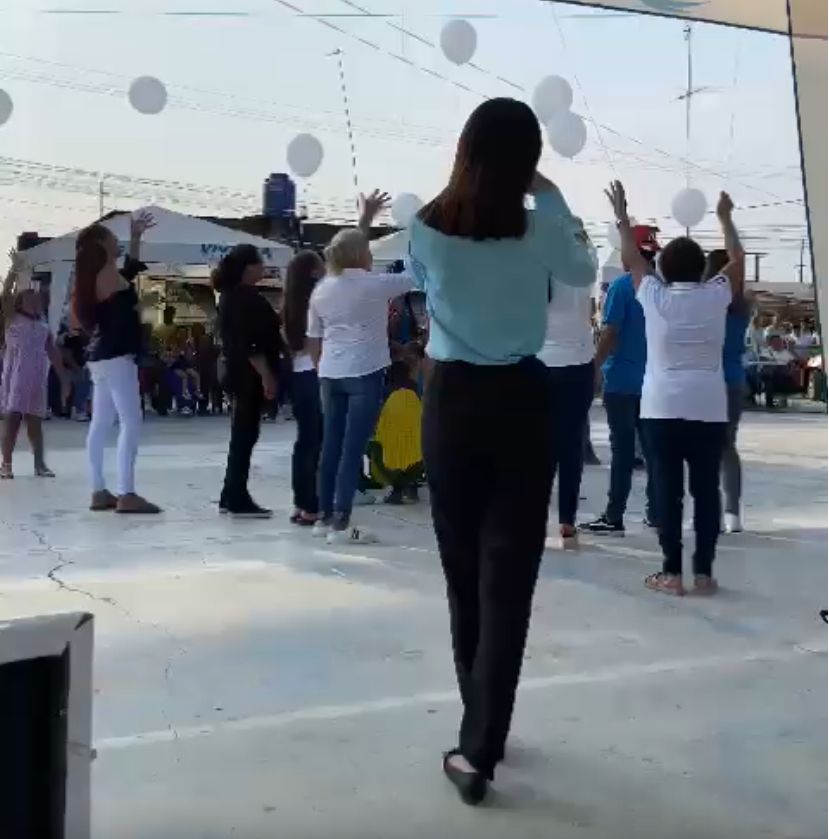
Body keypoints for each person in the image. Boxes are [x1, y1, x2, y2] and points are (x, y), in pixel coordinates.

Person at [408, 98, 596, 805]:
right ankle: (482, 735)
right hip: (523, 398)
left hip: (451, 399)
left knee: (462, 573)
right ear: (529, 159)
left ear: (465, 152)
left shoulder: (426, 229)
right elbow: (581, 269)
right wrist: (548, 192)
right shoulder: (539, 228)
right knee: (509, 579)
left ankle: (478, 731)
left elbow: (424, 282)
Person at [607, 182, 742, 597]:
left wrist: (622, 217)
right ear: (702, 270)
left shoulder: (653, 296)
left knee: (667, 489)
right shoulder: (716, 295)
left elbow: (632, 258)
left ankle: (670, 573)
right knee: (705, 491)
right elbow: (737, 260)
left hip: (661, 408)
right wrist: (724, 218)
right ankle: (703, 573)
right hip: (708, 407)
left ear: (663, 269)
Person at [306, 192, 415, 544]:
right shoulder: (375, 284)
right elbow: (414, 275)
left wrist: (364, 221)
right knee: (353, 448)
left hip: (330, 372)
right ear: (360, 255)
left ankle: (324, 517)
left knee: (331, 447)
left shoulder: (322, 289)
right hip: (365, 372)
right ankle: (341, 523)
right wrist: (416, 234)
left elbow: (313, 337)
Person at [73, 213, 161, 513]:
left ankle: (99, 490)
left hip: (101, 357)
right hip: (117, 356)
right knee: (130, 421)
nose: (116, 240)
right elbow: (129, 276)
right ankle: (127, 492)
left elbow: (130, 271)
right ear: (101, 243)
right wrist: (141, 305)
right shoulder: (107, 273)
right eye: (112, 237)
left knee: (100, 424)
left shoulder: (94, 275)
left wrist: (136, 238)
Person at [581, 224, 660, 536]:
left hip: (622, 382)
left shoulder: (622, 287)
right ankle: (656, 513)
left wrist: (594, 368)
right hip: (654, 383)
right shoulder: (662, 287)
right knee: (653, 451)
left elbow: (610, 333)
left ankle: (614, 516)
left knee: (623, 452)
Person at [215, 244, 283, 518]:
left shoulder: (229, 296)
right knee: (245, 435)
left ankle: (230, 492)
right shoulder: (246, 298)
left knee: (242, 435)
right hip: (248, 374)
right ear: (249, 267)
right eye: (260, 263)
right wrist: (266, 375)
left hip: (236, 371)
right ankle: (236, 495)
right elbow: (251, 343)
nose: (263, 267)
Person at [539, 279, 595, 549]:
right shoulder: (582, 269)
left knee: (538, 446)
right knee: (572, 445)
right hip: (577, 363)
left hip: (539, 362)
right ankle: (567, 522)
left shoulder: (537, 267)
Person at [1, 277, 69, 479]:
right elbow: (6, 296)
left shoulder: (42, 324)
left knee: (35, 422)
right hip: (15, 377)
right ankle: (6, 464)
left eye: (37, 298)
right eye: (30, 297)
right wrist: (12, 274)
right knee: (12, 421)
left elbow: (52, 351)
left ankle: (40, 464)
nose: (35, 300)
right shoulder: (12, 318)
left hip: (37, 377)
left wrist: (64, 378)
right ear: (21, 301)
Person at [706, 247, 750, 534]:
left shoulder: (706, 303)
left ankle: (710, 512)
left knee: (705, 448)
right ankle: (732, 512)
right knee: (728, 446)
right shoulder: (743, 305)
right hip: (734, 380)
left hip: (707, 379)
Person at [282, 249, 326, 526]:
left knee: (304, 442)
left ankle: (301, 502)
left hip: (298, 375)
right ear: (313, 271)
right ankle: (311, 505)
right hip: (315, 372)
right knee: (317, 442)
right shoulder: (318, 300)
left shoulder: (289, 304)